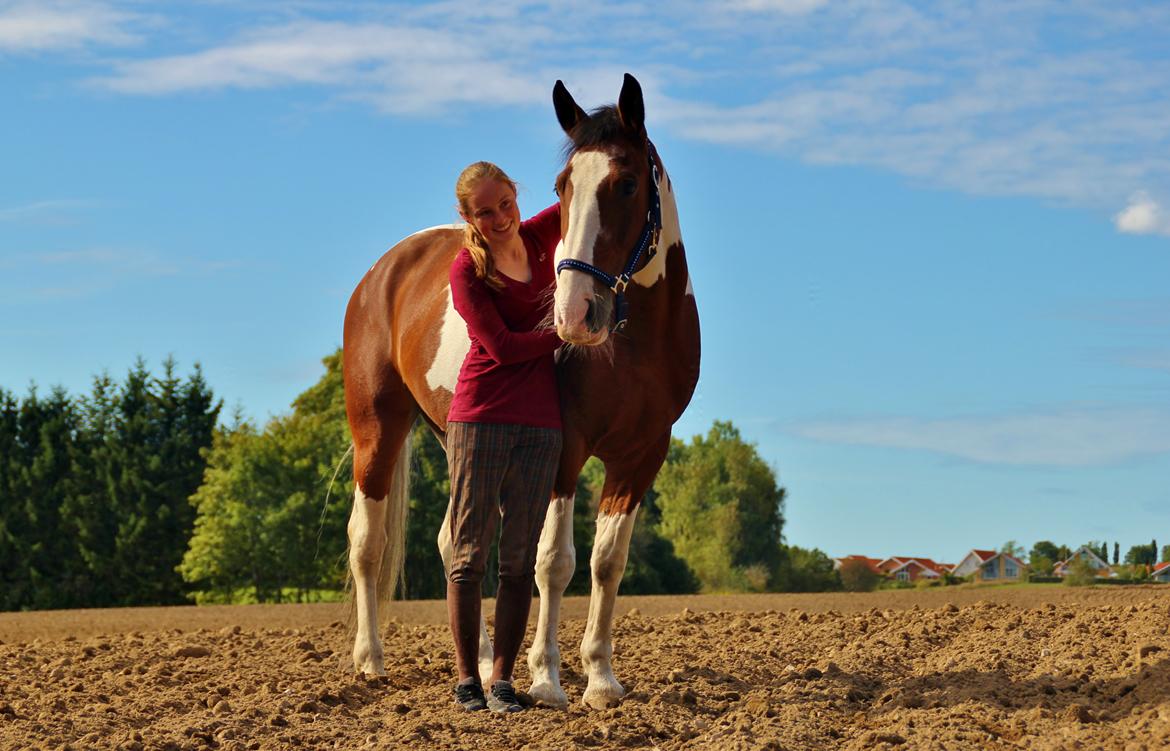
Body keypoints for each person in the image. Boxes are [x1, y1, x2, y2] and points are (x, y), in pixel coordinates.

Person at [445, 161, 563, 713]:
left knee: (519, 559)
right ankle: (467, 679)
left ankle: (503, 681)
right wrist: (567, 333)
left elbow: (587, 190)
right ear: (467, 216)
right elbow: (504, 347)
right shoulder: (467, 270)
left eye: (505, 205)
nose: (499, 219)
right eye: (484, 212)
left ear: (517, 195)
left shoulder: (541, 237)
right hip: (481, 417)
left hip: (543, 423)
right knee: (469, 554)